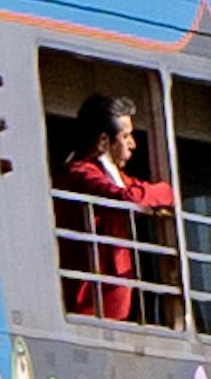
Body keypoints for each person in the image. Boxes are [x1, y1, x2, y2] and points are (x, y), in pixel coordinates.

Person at [58, 92, 175, 322]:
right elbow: (131, 198)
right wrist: (158, 194)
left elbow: (160, 193)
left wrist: (161, 193)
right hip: (88, 308)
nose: (133, 144)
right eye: (126, 136)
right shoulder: (81, 174)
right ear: (104, 141)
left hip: (109, 309)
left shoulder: (115, 177)